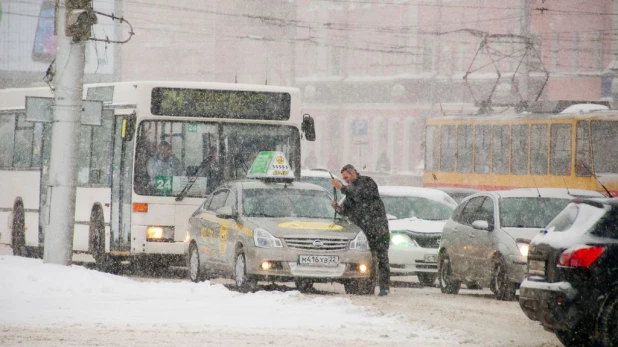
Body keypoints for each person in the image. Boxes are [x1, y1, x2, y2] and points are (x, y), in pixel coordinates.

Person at [330, 164, 390, 296]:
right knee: (367, 258)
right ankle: (369, 285)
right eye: (344, 179)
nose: (346, 180)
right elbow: (346, 210)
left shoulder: (367, 182)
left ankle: (384, 287)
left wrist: (342, 187)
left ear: (352, 173)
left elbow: (360, 194)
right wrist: (337, 208)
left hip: (378, 228)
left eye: (346, 177)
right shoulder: (350, 191)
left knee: (381, 257)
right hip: (363, 230)